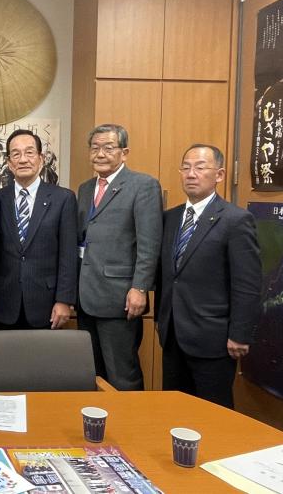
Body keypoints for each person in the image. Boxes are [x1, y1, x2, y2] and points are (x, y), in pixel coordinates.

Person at [157, 144, 262, 408]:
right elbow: (168, 275)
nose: (191, 174)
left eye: (200, 167)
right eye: (186, 167)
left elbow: (247, 284)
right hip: (172, 335)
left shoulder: (236, 220)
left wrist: (240, 333)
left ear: (220, 175)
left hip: (213, 338)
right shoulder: (170, 217)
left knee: (213, 413)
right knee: (174, 410)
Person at [76, 123, 162, 390]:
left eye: (108, 148)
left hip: (120, 296)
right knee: (92, 373)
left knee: (122, 374)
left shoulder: (143, 185)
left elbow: (149, 243)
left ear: (124, 152)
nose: (100, 154)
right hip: (86, 295)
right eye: (95, 147)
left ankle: (131, 429)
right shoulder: (86, 188)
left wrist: (139, 288)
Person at [0, 129, 77, 329]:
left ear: (41, 159)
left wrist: (64, 300)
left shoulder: (63, 199)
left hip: (47, 304)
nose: (23, 159)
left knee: (42, 360)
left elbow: (68, 255)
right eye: (16, 154)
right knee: (3, 360)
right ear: (9, 163)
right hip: (4, 303)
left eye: (29, 152)